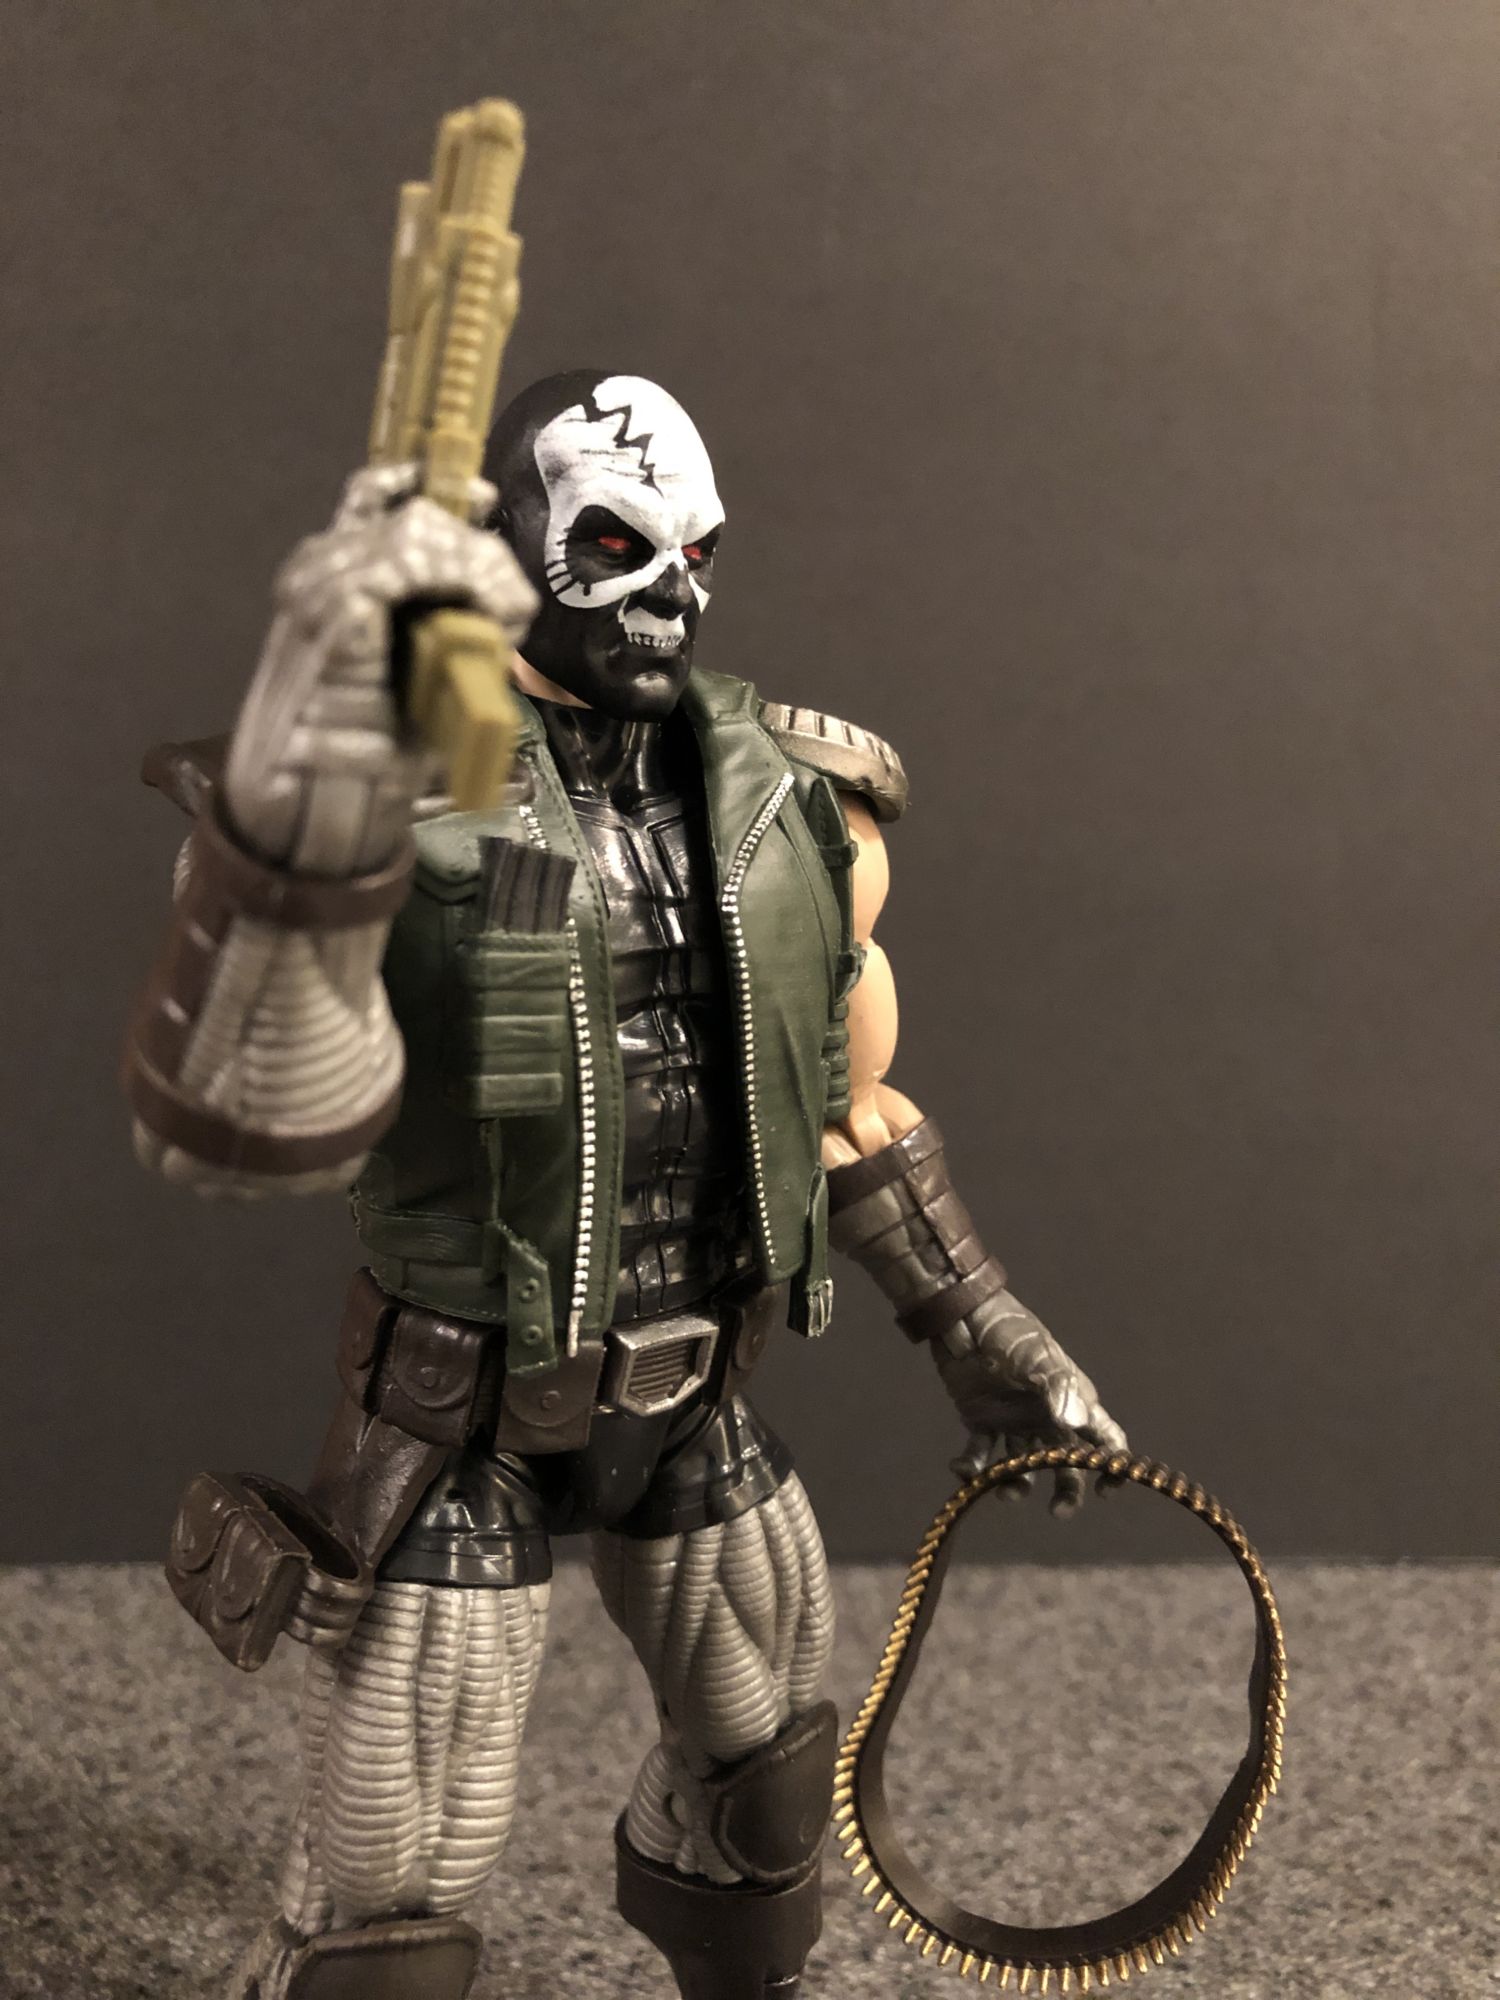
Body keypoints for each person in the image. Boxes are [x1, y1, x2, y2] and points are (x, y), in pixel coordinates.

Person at [124, 369, 1126, 2000]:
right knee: (397, 1886)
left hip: (694, 1391)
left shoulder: (788, 806)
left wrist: (979, 1325)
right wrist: (276, 880)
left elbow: (838, 1106)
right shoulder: (384, 795)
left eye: (697, 552)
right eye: (614, 544)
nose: (670, 595)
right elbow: (250, 1105)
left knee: (768, 1788)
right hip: (460, 1420)